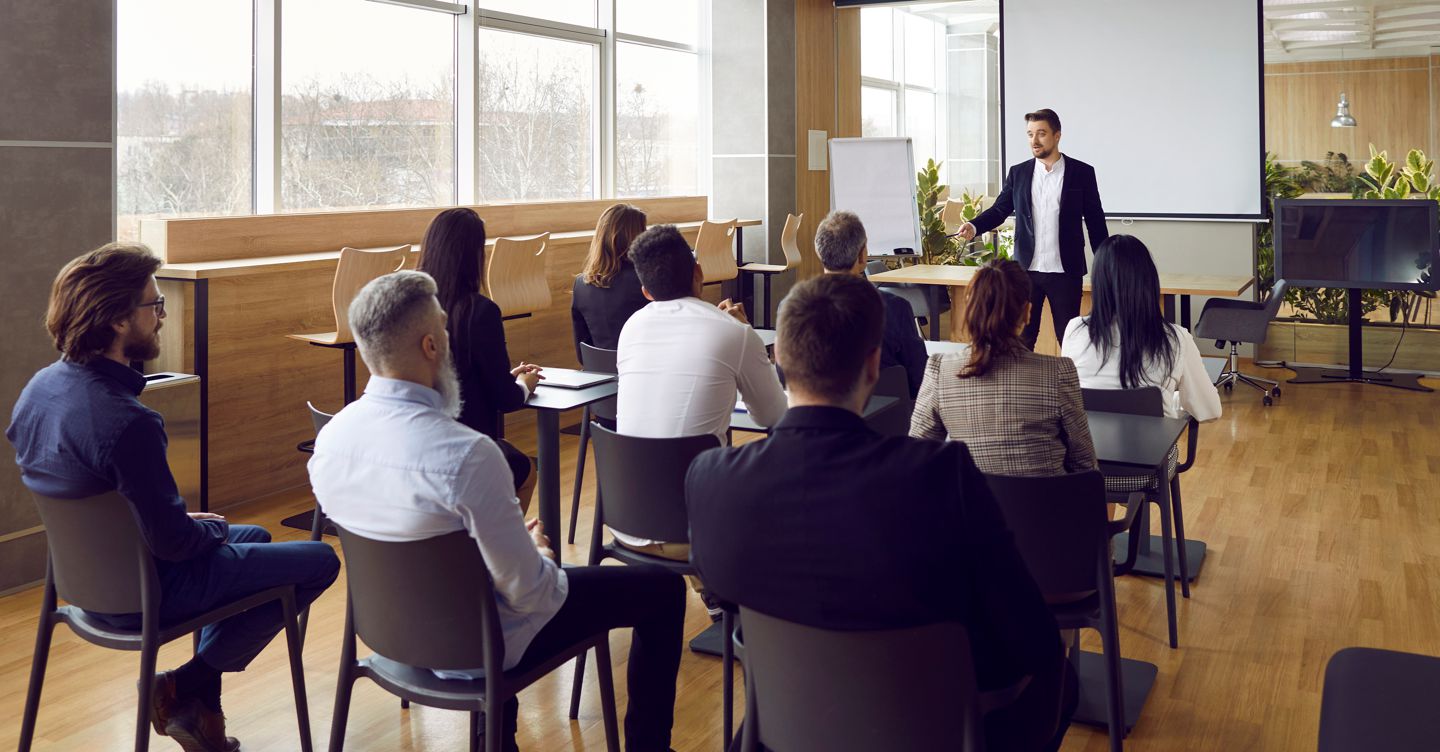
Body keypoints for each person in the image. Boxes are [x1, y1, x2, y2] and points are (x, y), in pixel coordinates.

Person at [686, 274, 1073, 751]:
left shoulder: (710, 481)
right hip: (926, 729)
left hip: (788, 725)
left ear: (779, 357)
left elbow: (725, 596)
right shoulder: (940, 477)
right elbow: (1034, 636)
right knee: (1061, 679)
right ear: (873, 365)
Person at [309, 271, 684, 752]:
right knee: (662, 590)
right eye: (444, 332)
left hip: (389, 640)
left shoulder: (331, 440)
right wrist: (538, 554)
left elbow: (408, 537)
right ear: (430, 346)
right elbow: (533, 595)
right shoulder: (467, 455)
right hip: (477, 649)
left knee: (489, 587)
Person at [6, 243, 340, 752]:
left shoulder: (39, 390)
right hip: (144, 595)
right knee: (319, 561)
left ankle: (198, 706)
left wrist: (189, 525)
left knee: (254, 534)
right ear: (118, 319)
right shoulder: (128, 422)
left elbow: (109, 509)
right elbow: (175, 544)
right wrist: (209, 526)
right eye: (155, 304)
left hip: (80, 586)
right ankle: (188, 682)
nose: (161, 316)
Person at [910, 259, 1096, 476]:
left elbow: (916, 458)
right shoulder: (1058, 372)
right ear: (1027, 312)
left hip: (970, 498)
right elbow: (1085, 465)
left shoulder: (940, 370)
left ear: (970, 309)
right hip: (1046, 498)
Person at [417, 207, 542, 507]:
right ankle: (496, 537)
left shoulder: (412, 306)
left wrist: (505, 377)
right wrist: (524, 385)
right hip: (466, 452)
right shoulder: (480, 311)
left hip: (418, 449)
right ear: (474, 256)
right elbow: (506, 400)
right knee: (525, 469)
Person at [957, 108, 1108, 350]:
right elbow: (1000, 210)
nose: (1034, 140)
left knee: (1070, 341)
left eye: (1041, 133)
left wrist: (1106, 264)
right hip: (1026, 273)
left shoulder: (1082, 173)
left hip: (1065, 272)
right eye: (1030, 134)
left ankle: (1071, 377)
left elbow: (1095, 221)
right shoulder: (1018, 173)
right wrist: (974, 225)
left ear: (1057, 135)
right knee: (1022, 342)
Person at [1062, 235, 1222, 422]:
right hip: (1153, 442)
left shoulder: (1075, 330)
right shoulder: (1175, 338)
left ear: (1098, 283)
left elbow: (1068, 399)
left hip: (1088, 441)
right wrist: (1173, 400)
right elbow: (1210, 411)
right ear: (1149, 281)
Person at [814, 210, 928, 397]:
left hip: (817, 412)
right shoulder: (894, 309)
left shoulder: (792, 309)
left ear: (820, 253)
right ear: (862, 257)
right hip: (887, 413)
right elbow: (919, 378)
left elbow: (785, 376)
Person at [571, 203, 650, 360]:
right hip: (644, 368)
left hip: (598, 370)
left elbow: (582, 354)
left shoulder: (581, 284)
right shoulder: (648, 282)